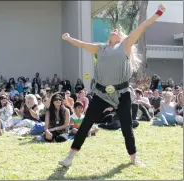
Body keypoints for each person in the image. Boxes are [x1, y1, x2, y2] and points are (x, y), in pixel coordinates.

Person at [58, 4, 166, 167]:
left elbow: (143, 26)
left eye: (116, 31)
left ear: (121, 36)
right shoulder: (100, 48)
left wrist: (158, 12)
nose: (113, 31)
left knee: (126, 126)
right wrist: (68, 38)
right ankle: (70, 157)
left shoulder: (125, 45)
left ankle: (133, 158)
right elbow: (82, 44)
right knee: (86, 123)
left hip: (122, 93)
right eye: (112, 30)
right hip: (101, 93)